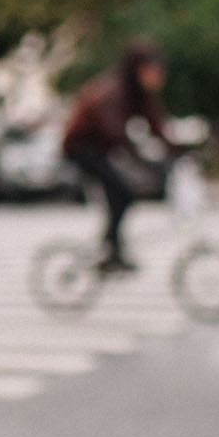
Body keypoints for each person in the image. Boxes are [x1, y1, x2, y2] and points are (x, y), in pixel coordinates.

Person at [61, 37, 173, 271]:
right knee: (124, 192)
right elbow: (115, 132)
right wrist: (144, 161)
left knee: (121, 195)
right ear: (138, 70)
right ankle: (110, 246)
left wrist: (180, 151)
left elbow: (158, 128)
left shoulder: (139, 95)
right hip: (81, 148)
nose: (158, 77)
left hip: (101, 150)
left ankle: (112, 249)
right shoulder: (113, 92)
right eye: (152, 71)